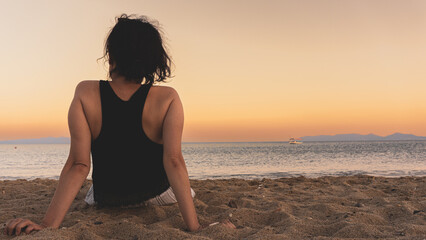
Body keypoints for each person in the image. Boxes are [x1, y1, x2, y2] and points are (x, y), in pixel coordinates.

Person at [4, 14, 235, 236]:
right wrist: (194, 227)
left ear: (111, 56)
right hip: (159, 195)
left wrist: (47, 224)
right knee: (187, 190)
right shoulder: (168, 98)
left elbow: (79, 165)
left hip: (105, 198)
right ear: (151, 61)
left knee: (88, 189)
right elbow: (173, 161)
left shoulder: (85, 93)